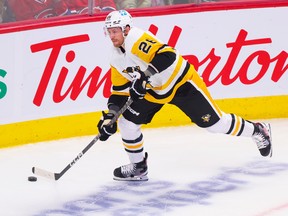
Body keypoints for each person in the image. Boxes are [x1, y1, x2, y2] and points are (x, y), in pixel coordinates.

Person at [97, 10, 273, 181]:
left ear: (126, 29)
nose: (112, 36)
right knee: (126, 123)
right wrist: (111, 116)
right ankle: (138, 167)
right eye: (109, 32)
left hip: (182, 83)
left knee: (216, 124)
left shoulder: (136, 39)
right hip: (155, 91)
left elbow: (168, 55)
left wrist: (144, 76)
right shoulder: (115, 57)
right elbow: (119, 92)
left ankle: (258, 130)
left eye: (115, 31)